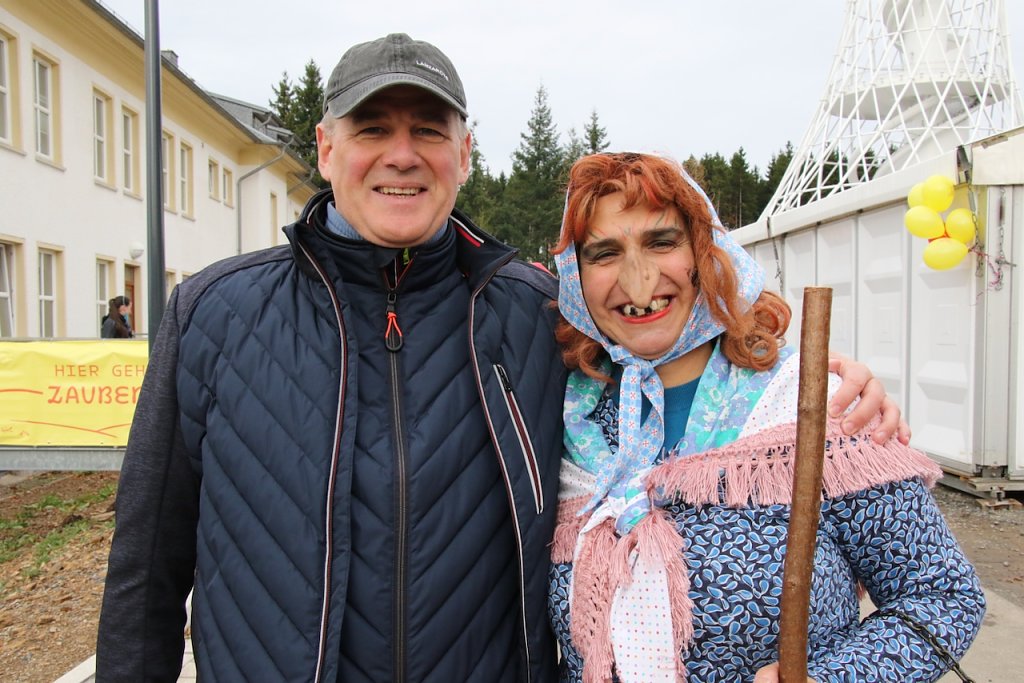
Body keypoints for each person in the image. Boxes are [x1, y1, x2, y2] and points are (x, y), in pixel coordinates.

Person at [96, 34, 905, 682]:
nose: (402, 154)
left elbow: (664, 342)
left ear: (465, 152)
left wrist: (822, 380)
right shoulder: (216, 313)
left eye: (428, 130)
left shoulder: (534, 311)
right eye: (373, 129)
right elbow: (146, 571)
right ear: (326, 148)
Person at [547, 152, 984, 683]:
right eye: (604, 253)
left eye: (662, 242)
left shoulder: (815, 409)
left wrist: (834, 679)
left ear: (706, 253)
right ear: (575, 278)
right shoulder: (565, 414)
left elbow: (940, 594)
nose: (638, 282)